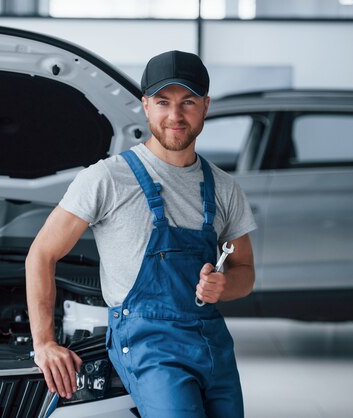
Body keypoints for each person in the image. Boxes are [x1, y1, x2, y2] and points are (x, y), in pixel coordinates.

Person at [26, 50, 257, 418]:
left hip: (210, 343)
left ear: (206, 106)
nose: (175, 116)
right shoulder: (106, 178)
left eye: (188, 102)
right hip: (148, 344)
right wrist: (44, 343)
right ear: (146, 105)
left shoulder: (225, 188)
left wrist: (224, 286)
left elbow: (244, 270)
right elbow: (41, 254)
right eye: (164, 102)